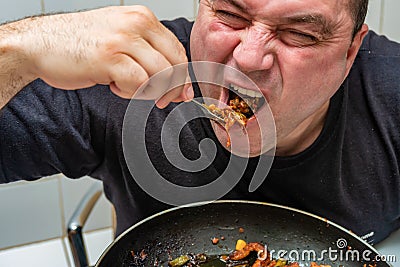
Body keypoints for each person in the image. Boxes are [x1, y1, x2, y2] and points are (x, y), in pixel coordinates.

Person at [0, 0, 399, 247]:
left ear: (351, 50)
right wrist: (16, 52)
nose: (247, 58)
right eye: (229, 14)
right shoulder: (124, 84)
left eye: (298, 34)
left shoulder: (391, 91)